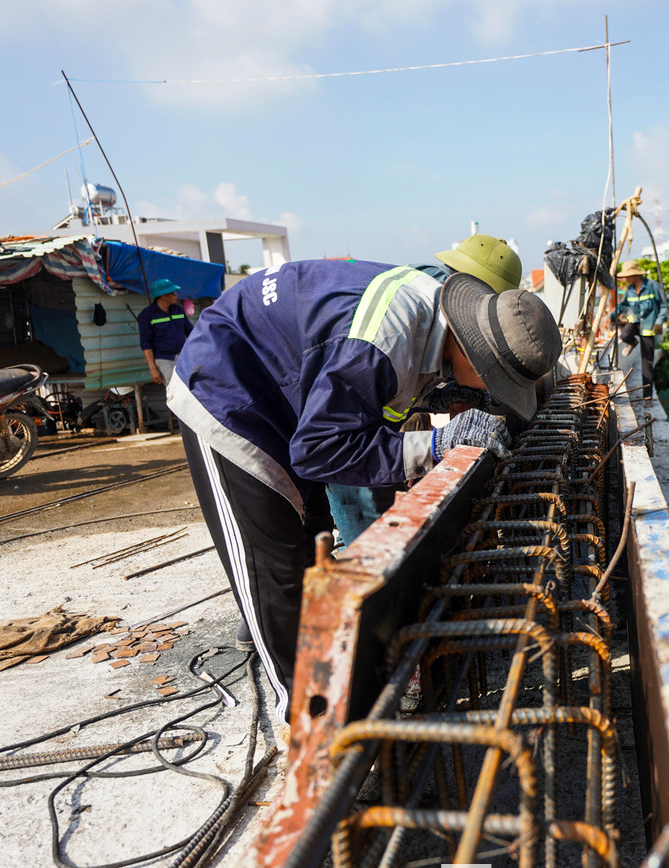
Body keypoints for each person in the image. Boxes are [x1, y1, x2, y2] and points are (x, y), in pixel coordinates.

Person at [166, 261, 562, 721]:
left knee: (312, 542)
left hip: (287, 394)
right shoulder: (383, 341)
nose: (491, 394)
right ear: (474, 354)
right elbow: (319, 450)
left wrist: (433, 402)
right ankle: (306, 730)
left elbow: (365, 405)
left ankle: (336, 691)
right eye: (495, 384)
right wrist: (434, 442)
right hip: (229, 391)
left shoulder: (427, 319)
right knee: (276, 570)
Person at [324, 235, 524, 548]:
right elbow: (343, 438)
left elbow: (411, 378)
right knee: (367, 527)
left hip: (376, 416)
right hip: (354, 426)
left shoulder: (430, 288)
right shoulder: (419, 307)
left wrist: (436, 397)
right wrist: (437, 440)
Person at [609, 260, 669, 401]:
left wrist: (660, 320)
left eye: (629, 276)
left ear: (636, 275)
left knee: (646, 363)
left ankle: (647, 396)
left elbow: (666, 304)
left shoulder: (652, 286)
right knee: (624, 335)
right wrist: (610, 317)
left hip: (649, 327)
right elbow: (622, 306)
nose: (627, 279)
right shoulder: (629, 290)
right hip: (635, 322)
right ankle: (632, 342)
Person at [137, 278, 194, 390]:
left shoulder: (178, 310)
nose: (176, 295)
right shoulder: (147, 315)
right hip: (164, 360)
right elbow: (146, 344)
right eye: (173, 293)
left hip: (182, 357)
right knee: (176, 391)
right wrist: (152, 368)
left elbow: (191, 332)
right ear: (163, 295)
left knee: (190, 390)